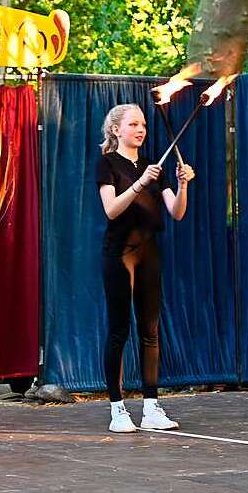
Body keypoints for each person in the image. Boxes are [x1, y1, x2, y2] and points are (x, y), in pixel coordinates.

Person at [96, 103, 194, 433]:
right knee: (119, 330)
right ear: (116, 130)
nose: (141, 129)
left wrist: (183, 186)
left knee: (150, 331)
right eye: (133, 124)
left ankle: (151, 406)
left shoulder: (156, 168)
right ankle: (117, 408)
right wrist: (139, 184)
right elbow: (111, 209)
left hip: (150, 252)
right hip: (119, 254)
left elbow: (176, 212)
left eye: (143, 125)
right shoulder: (107, 163)